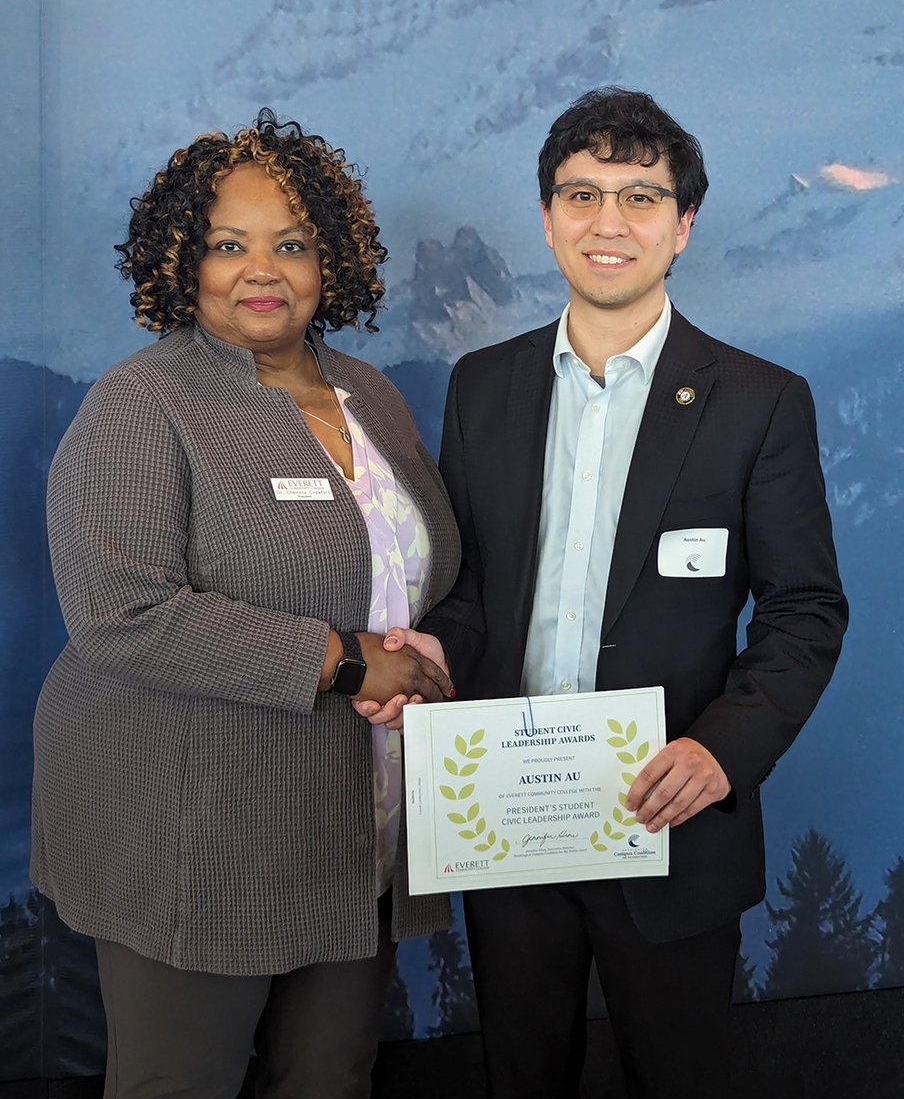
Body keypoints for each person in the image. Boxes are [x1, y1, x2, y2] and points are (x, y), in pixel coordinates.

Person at [386, 87, 847, 1097]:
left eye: (640, 197)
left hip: (668, 819)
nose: (608, 223)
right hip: (506, 818)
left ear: (682, 225)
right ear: (546, 217)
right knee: (521, 1077)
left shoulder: (759, 401)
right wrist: (431, 652)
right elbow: (469, 592)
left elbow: (804, 608)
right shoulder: (482, 385)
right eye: (581, 194)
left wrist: (723, 751)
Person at [31, 110, 460, 1099]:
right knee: (181, 1082)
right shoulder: (143, 404)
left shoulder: (370, 396)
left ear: (330, 259)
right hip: (197, 827)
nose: (260, 270)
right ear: (182, 260)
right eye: (229, 244)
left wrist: (419, 657)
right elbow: (121, 610)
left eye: (291, 243)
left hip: (359, 825)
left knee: (330, 1077)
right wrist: (348, 660)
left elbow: (414, 569)